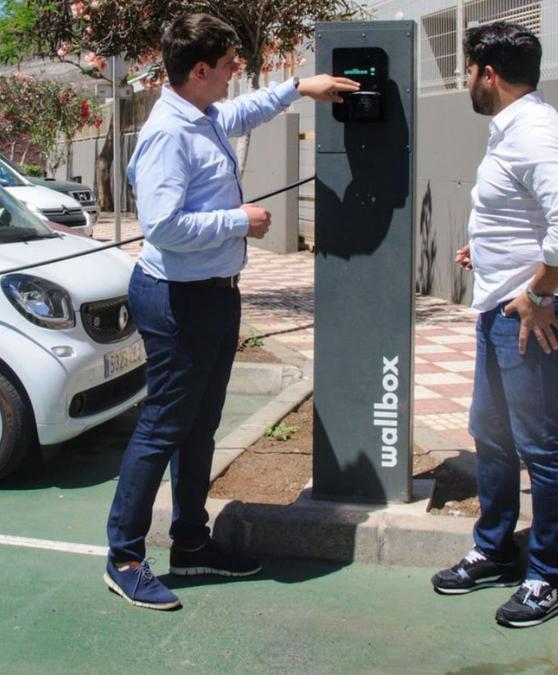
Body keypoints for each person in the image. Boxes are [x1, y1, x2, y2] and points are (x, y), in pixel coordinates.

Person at [103, 13, 359, 611]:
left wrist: (300, 88)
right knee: (164, 426)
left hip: (213, 292)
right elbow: (162, 226)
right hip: (176, 299)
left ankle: (191, 542)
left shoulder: (205, 115)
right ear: (199, 70)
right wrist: (238, 221)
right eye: (226, 67)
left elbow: (243, 112)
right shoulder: (169, 134)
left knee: (200, 425)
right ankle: (124, 556)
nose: (233, 76)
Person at [430, 22, 558, 628]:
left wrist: (535, 291)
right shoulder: (514, 130)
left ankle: (550, 576)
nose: (464, 81)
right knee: (492, 435)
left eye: (467, 71)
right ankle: (496, 547)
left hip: (533, 315)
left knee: (539, 445)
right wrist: (492, 253)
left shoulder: (534, 134)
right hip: (503, 304)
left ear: (489, 75)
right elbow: (528, 214)